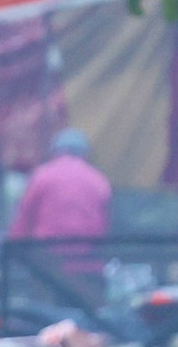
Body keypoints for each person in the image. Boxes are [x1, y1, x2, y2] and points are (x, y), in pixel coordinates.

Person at [7, 126, 112, 299]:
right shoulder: (99, 181)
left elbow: (23, 223)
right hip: (87, 268)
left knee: (44, 312)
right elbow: (105, 228)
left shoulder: (41, 176)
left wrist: (13, 251)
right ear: (85, 153)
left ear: (56, 151)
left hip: (48, 269)